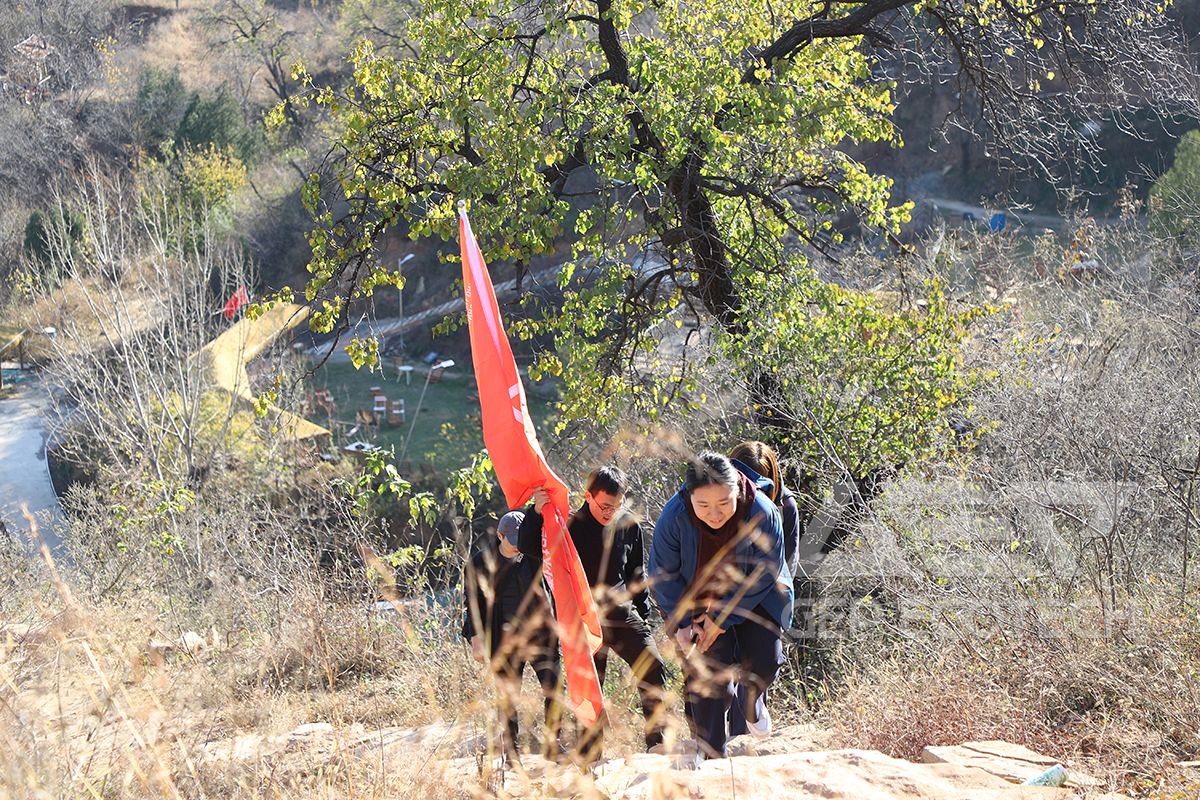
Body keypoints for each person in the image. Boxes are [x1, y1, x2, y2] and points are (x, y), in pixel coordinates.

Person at [648, 451, 793, 759]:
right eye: (704, 506)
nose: (715, 514)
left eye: (723, 503)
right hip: (698, 599)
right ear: (689, 497)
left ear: (737, 490)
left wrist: (720, 619)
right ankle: (713, 756)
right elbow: (662, 575)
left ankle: (752, 703)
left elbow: (765, 572)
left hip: (757, 597)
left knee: (765, 661)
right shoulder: (674, 516)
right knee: (708, 676)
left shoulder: (762, 511)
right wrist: (682, 624)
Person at [519, 466, 667, 757]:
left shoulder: (628, 524)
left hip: (622, 613)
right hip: (583, 618)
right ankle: (591, 755)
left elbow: (637, 574)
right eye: (604, 506)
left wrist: (644, 615)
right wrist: (535, 512)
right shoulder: (569, 524)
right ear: (588, 495)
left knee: (653, 664)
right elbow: (529, 546)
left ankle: (656, 742)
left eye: (616, 505)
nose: (610, 512)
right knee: (590, 688)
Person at [462, 510, 562, 761]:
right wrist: (476, 639)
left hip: (541, 634)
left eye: (522, 542)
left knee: (555, 687)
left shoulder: (533, 555)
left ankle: (553, 744)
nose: (518, 547)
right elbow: (473, 603)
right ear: (499, 535)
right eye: (513, 542)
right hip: (504, 638)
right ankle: (511, 750)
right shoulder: (480, 563)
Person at [726, 440, 800, 738]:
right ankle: (729, 739)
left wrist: (779, 600)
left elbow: (789, 560)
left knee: (758, 669)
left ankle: (747, 736)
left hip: (768, 593)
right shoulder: (723, 498)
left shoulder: (785, 506)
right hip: (729, 590)